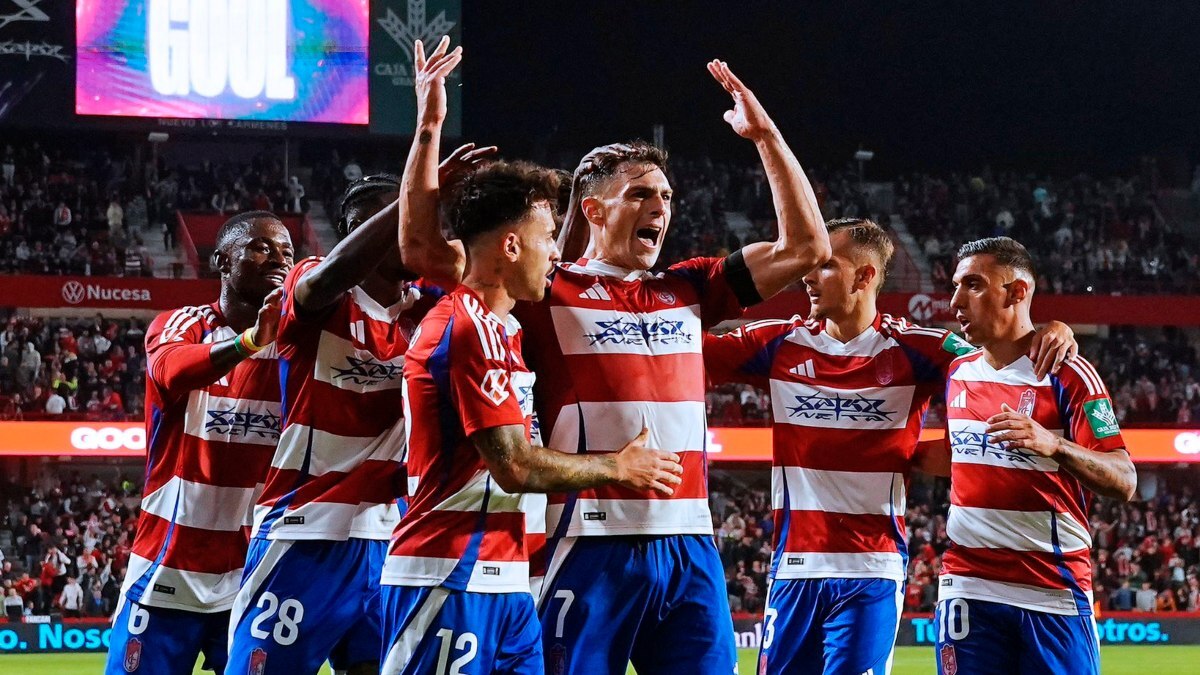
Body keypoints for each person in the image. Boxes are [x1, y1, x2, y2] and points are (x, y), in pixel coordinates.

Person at [400, 51, 831, 674]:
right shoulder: (547, 289)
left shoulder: (689, 288)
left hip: (690, 543)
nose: (661, 206)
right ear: (594, 211)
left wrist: (766, 137)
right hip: (587, 540)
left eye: (666, 195)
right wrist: (427, 127)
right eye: (640, 194)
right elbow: (420, 248)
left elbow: (805, 247)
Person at [703, 219, 1078, 674]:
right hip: (793, 566)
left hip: (871, 569)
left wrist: (1052, 328)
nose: (807, 276)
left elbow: (1000, 354)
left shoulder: (921, 348)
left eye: (824, 266)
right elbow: (687, 351)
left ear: (864, 277)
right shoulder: (780, 342)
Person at [226, 69, 491, 671]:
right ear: (361, 230)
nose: (417, 227)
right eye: (399, 218)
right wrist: (414, 188)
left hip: (392, 540)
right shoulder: (314, 286)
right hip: (304, 531)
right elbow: (327, 279)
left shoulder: (435, 311)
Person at [381, 146, 683, 670]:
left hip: (509, 582)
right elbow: (514, 465)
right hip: (448, 576)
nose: (555, 254)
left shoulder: (508, 328)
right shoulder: (465, 328)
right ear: (513, 245)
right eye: (547, 238)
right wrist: (618, 466)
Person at [103, 210, 294, 675]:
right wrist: (249, 342)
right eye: (260, 247)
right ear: (221, 263)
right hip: (169, 571)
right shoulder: (184, 323)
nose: (278, 259)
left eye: (288, 251)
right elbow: (172, 368)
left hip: (254, 577)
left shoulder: (298, 348)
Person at [936, 236, 1136, 675]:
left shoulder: (1068, 374)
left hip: (1052, 590)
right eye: (955, 286)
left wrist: (1055, 445)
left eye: (973, 285)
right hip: (968, 586)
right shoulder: (956, 368)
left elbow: (1125, 480)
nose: (954, 301)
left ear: (1017, 291)